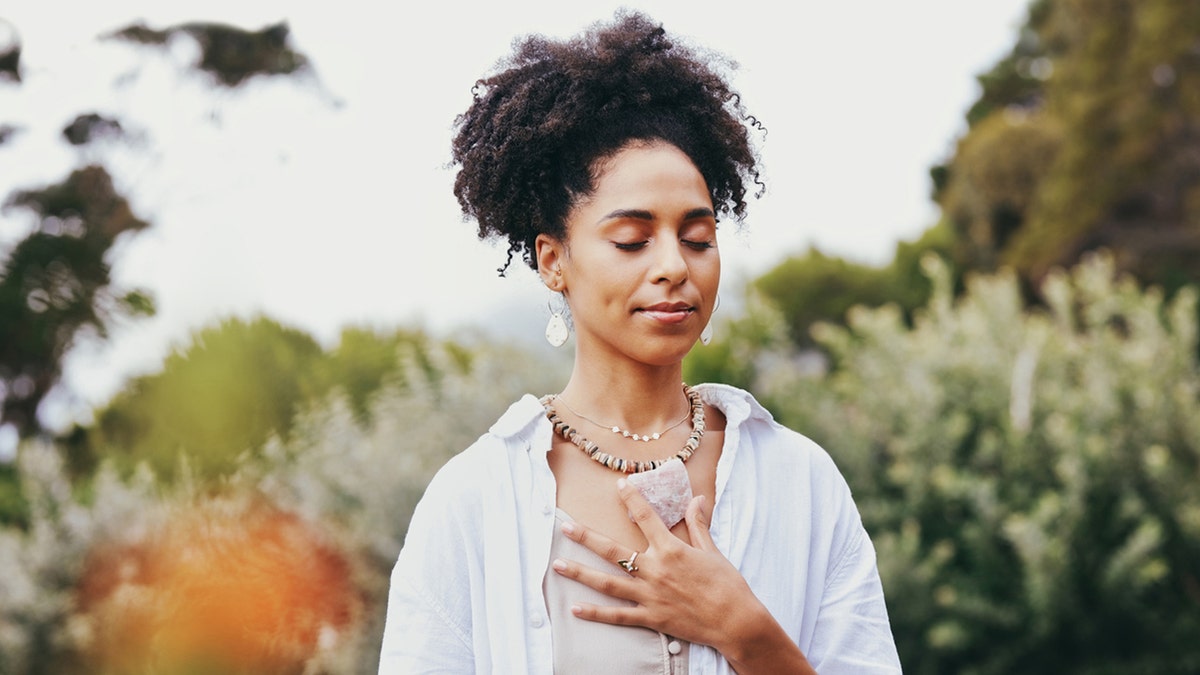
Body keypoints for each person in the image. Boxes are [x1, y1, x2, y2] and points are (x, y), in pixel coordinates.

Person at [379, 11, 901, 674]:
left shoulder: (800, 482)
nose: (673, 266)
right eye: (631, 239)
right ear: (552, 259)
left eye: (697, 237)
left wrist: (746, 631)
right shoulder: (475, 501)